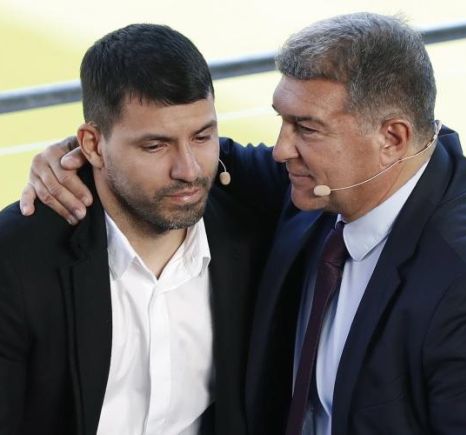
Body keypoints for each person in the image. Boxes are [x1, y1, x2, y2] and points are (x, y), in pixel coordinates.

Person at [20, 13, 466, 434]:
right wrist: (78, 155)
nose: (280, 150)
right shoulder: (321, 184)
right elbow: (190, 158)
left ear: (392, 138)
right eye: (282, 121)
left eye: (306, 128)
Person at [0, 23, 274, 435]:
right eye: (155, 146)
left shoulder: (255, 230)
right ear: (92, 145)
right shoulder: (15, 260)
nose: (188, 170)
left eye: (202, 137)